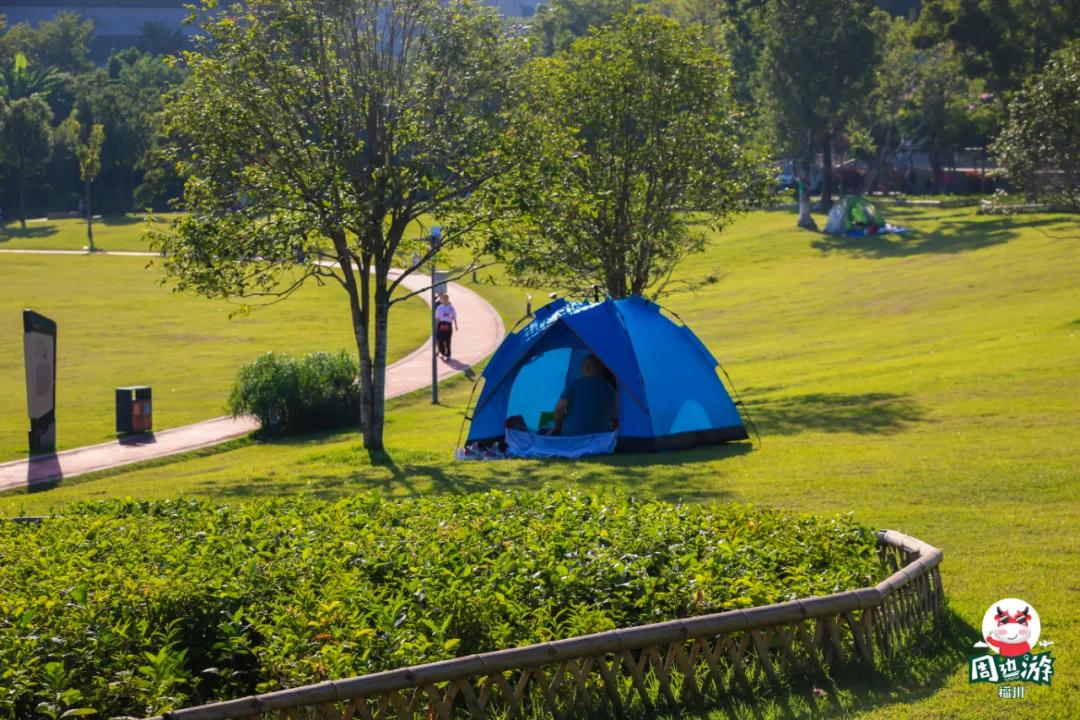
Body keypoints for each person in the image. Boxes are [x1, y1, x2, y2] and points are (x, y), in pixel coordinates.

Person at [554, 354, 617, 435]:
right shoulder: (610, 389)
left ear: (586, 368)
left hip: (571, 435)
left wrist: (558, 426)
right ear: (601, 370)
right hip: (599, 437)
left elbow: (559, 410)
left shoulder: (574, 384)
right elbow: (615, 418)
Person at [435, 292, 458, 360]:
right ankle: (442, 352)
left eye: (446, 299)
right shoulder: (439, 308)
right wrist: (437, 327)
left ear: (448, 299)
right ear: (441, 300)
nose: (444, 300)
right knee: (440, 340)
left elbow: (454, 317)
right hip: (441, 324)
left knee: (448, 341)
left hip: (448, 325)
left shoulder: (451, 308)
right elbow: (437, 318)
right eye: (443, 299)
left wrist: (456, 325)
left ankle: (448, 354)